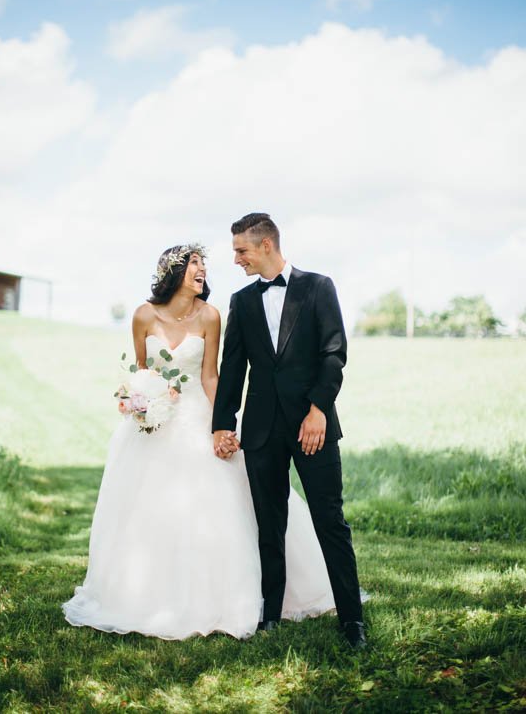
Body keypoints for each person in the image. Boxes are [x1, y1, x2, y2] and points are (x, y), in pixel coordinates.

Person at [62, 243, 338, 640]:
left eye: (204, 265)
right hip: (152, 424)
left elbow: (212, 375)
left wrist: (224, 425)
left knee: (223, 497)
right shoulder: (143, 315)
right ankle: (144, 593)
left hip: (196, 414)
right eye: (195, 264)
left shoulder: (211, 316)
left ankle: (235, 595)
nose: (203, 270)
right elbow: (142, 371)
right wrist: (137, 401)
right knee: (147, 507)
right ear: (174, 271)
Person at [212, 214, 366, 649]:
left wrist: (319, 409)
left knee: (329, 521)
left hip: (312, 426)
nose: (236, 259)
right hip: (261, 431)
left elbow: (334, 354)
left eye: (241, 250)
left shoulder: (318, 288)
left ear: (265, 246)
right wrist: (223, 424)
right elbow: (232, 370)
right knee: (269, 525)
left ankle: (352, 621)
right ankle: (271, 615)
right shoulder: (241, 302)